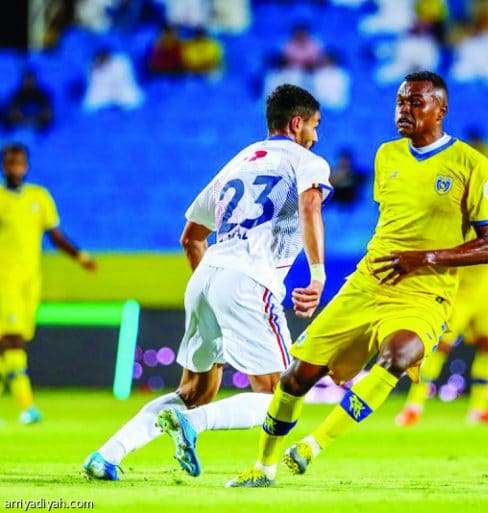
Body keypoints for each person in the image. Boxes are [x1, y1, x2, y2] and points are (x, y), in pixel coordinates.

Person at [226, 71, 488, 488]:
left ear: (441, 109)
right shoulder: (386, 155)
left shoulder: (472, 164)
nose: (404, 111)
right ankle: (261, 467)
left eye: (415, 103)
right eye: (400, 102)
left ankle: (312, 446)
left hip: (425, 292)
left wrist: (426, 257)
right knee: (295, 377)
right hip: (369, 282)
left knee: (399, 354)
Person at [82, 84, 332, 480]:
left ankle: (107, 455)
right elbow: (310, 204)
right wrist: (318, 275)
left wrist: (212, 293)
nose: (316, 136)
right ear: (296, 122)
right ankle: (193, 426)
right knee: (281, 397)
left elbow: (192, 236)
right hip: (249, 280)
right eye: (315, 126)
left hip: (206, 277)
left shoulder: (238, 162)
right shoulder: (307, 162)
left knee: (194, 393)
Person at [396, 174, 488, 426]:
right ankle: (413, 405)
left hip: (486, 294)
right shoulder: (469, 219)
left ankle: (478, 408)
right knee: (441, 347)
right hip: (458, 292)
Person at [0, 143, 96, 424]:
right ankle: (27, 406)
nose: (14, 166)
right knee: (12, 339)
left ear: (26, 166)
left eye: (19, 162)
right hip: (3, 281)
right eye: (9, 161)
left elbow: (55, 236)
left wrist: (80, 256)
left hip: (30, 282)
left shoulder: (39, 197)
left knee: (12, 342)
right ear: (3, 165)